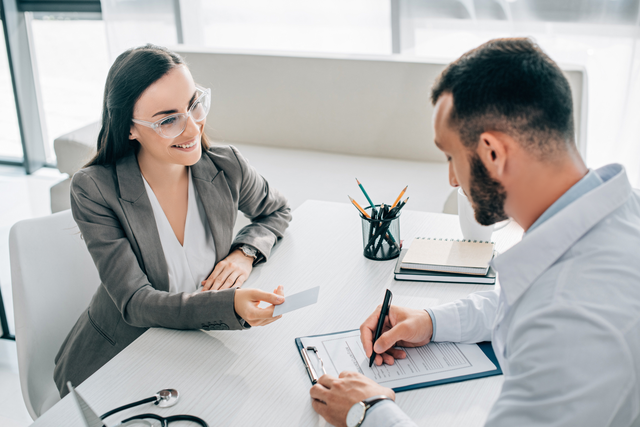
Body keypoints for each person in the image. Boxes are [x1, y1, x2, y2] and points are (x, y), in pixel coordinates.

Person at [310, 38, 640, 427]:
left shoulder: (568, 321)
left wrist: (367, 410)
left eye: (451, 157)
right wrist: (431, 322)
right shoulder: (617, 214)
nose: (452, 179)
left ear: (493, 153)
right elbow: (519, 299)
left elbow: (551, 307)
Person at [54, 44, 292, 396]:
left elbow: (277, 211)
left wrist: (244, 252)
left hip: (196, 351)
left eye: (194, 104)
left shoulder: (226, 166)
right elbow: (135, 301)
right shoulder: (94, 189)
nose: (193, 127)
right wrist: (229, 306)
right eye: (168, 120)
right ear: (130, 128)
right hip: (120, 360)